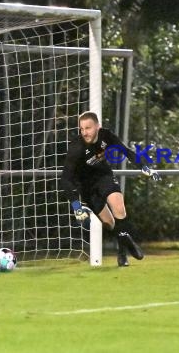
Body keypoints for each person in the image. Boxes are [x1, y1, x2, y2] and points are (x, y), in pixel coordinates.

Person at [60, 111, 161, 267]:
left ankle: (122, 255)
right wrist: (76, 205)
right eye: (82, 129)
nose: (85, 132)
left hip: (104, 177)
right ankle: (126, 239)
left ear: (97, 127)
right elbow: (66, 179)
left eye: (88, 128)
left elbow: (126, 151)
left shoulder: (106, 136)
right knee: (110, 224)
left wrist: (145, 167)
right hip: (86, 187)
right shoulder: (76, 147)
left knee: (119, 208)